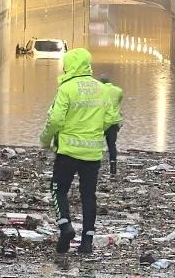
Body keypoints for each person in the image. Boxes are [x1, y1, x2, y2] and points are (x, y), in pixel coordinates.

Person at [40, 48, 114, 254]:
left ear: (69, 65)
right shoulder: (102, 89)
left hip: (67, 152)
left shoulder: (66, 88)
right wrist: (94, 131)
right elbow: (111, 118)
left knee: (58, 189)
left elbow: (55, 119)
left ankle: (65, 226)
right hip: (92, 154)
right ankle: (87, 242)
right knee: (89, 195)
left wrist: (45, 140)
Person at [99, 76, 123, 175]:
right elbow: (119, 101)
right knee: (112, 145)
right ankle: (113, 167)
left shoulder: (98, 91)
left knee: (96, 144)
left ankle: (94, 165)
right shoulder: (118, 91)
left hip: (100, 122)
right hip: (113, 122)